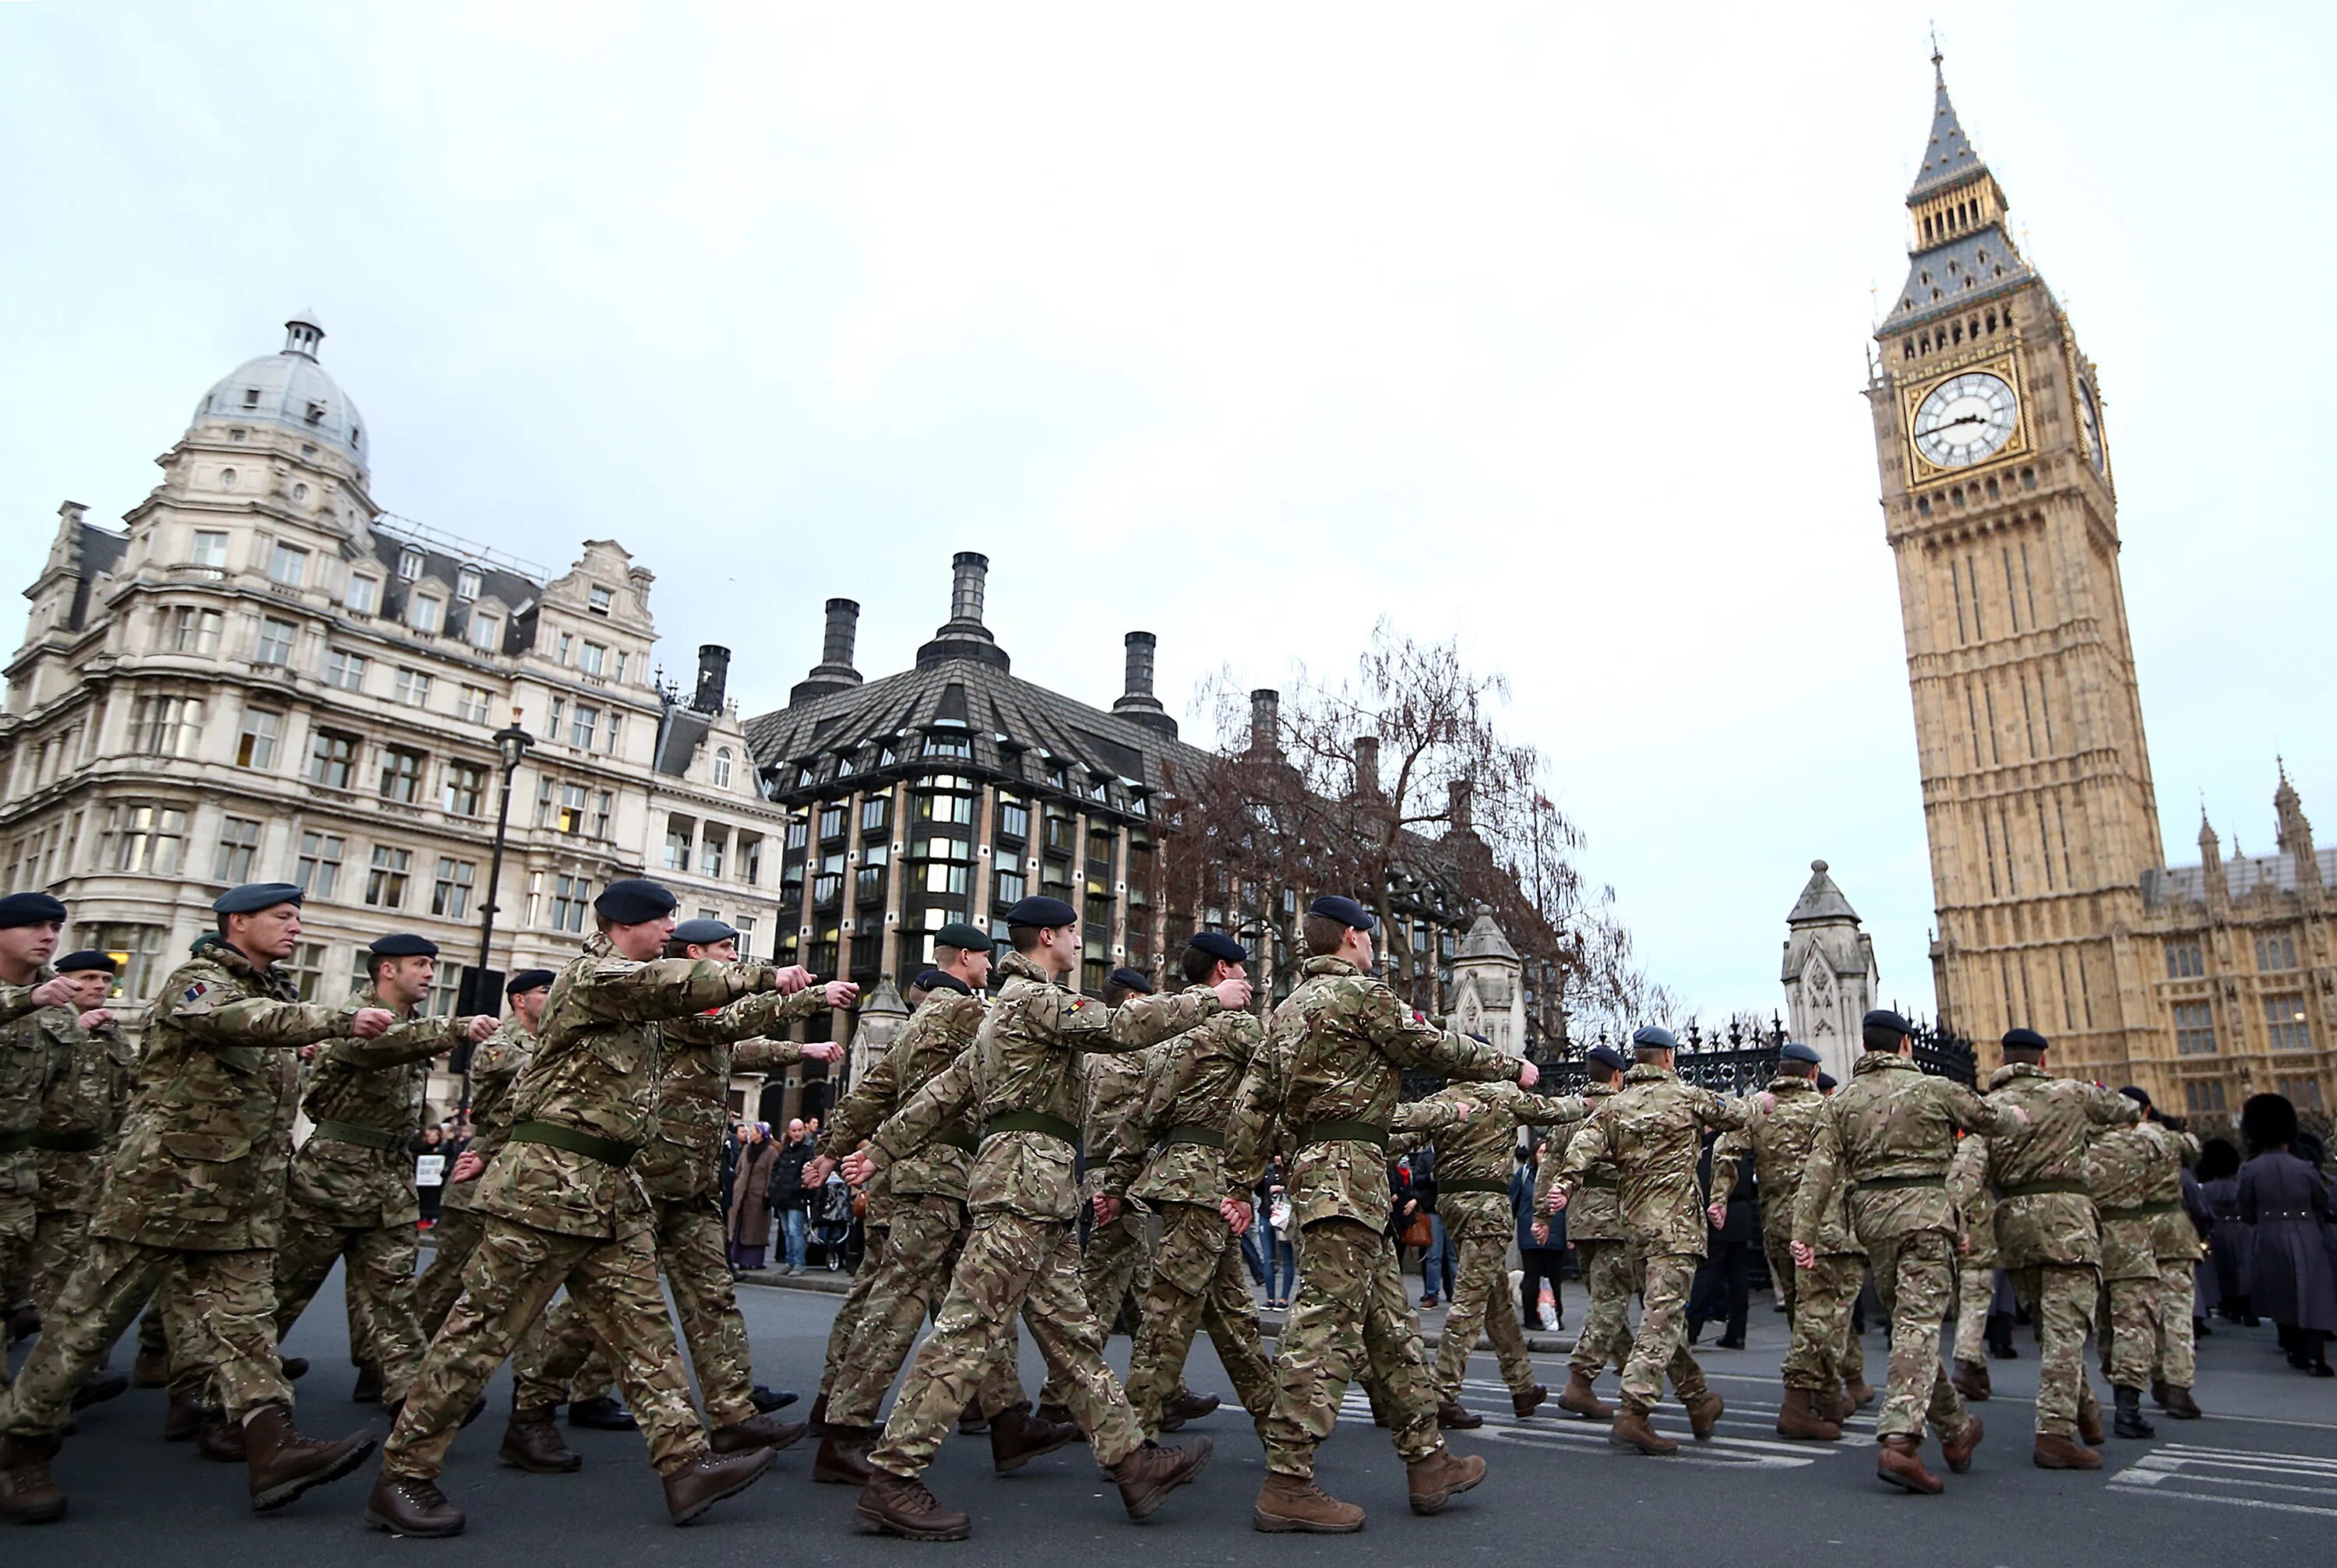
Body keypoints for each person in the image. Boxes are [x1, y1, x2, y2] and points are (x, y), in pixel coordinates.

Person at [365, 879, 801, 1536]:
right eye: (663, 924)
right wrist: (767, 976)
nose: (669, 936)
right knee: (478, 1332)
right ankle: (404, 1473)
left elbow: (710, 1024)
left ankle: (685, 1464)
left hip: (612, 1189)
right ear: (630, 924)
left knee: (645, 1333)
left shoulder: (638, 991)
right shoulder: (595, 976)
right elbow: (678, 988)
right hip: (548, 1183)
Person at [840, 896, 1239, 1539]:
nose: (1082, 940)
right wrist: (1208, 1002)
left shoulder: (1003, 1011)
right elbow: (1120, 1027)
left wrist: (878, 1147)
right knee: (968, 1330)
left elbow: (947, 1090)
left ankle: (1132, 1461)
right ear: (1048, 936)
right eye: (1075, 931)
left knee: (1075, 1335)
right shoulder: (1034, 1000)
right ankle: (892, 1477)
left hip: (1039, 1187)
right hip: (1024, 1184)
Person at [1, 884, 395, 1526]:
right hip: (162, 1191)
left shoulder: (277, 990)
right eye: (283, 917)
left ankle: (272, 1447)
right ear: (238, 922)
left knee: (248, 1327)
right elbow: (232, 1020)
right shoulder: (198, 978)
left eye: (298, 917)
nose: (296, 927)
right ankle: (20, 1448)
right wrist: (336, 1019)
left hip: (237, 1197)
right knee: (84, 1326)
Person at [1221, 893, 1528, 1532]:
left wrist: (1237, 1182)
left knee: (1389, 1325)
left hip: (1318, 1174)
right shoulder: (1363, 995)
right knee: (1325, 1325)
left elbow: (1253, 1100)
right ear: (1352, 938)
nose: (1373, 945)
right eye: (1368, 934)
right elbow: (1435, 1046)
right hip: (1350, 1174)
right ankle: (1287, 1479)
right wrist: (1509, 1066)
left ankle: (1427, 1458)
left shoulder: (1285, 1011)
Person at [506, 915, 845, 1471]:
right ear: (695, 952)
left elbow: (737, 1048)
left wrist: (800, 1052)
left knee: (712, 1297)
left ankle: (733, 1416)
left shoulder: (702, 1006)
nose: (734, 954)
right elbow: (724, 1023)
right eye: (725, 947)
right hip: (649, 1177)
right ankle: (535, 1407)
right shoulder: (676, 1002)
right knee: (599, 1309)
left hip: (689, 1182)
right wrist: (804, 996)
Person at [804, 935, 1041, 1489]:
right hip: (940, 1173)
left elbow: (869, 1093)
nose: (989, 966)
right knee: (899, 1302)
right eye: (985, 958)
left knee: (975, 1301)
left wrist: (831, 1148)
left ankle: (1008, 1419)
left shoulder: (916, 1022)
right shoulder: (965, 1010)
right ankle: (845, 1430)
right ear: (966, 959)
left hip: (925, 1176)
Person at [1792, 1010, 2021, 1493]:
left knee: (1910, 1328)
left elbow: (1819, 1172)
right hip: (1925, 1218)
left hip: (1872, 1224)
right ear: (1906, 1045)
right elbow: (1992, 1120)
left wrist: (1804, 1232)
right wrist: (2017, 1112)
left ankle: (1957, 1429)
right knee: (1918, 1327)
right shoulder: (1933, 1089)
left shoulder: (1842, 1101)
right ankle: (1901, 1442)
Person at [270, 934, 494, 1422]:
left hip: (389, 1177)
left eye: (433, 965)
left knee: (392, 1292)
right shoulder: (358, 1016)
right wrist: (456, 1028)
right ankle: (222, 1388)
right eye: (419, 964)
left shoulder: (414, 1026)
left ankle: (409, 1395)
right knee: (286, 1289)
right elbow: (376, 1048)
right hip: (331, 1174)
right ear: (387, 970)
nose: (430, 974)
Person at [1095, 932, 1280, 1443]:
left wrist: (1115, 1183)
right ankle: (1134, 1438)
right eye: (1243, 970)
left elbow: (1137, 1120)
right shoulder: (1237, 1027)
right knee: (1168, 1314)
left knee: (1234, 1315)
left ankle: (1280, 1428)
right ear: (1223, 970)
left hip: (1178, 1180)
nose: (1248, 980)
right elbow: (1273, 1092)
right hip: (1212, 1180)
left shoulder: (1166, 1039)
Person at [1548, 1025, 1750, 1457]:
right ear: (1670, 1058)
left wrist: (1565, 1185)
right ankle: (1634, 1411)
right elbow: (1740, 1117)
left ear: (1636, 1060)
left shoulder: (1613, 1107)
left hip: (1634, 1231)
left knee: (1665, 1314)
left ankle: (1699, 1400)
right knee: (1663, 1316)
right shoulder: (1689, 1098)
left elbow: (1582, 1146)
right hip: (1676, 1230)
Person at [1981, 1025, 2139, 1470]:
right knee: (2067, 1333)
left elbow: (1970, 1168)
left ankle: (2086, 1413)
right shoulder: (2072, 1094)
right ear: (2043, 1060)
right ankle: (2054, 1433)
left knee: (2051, 1330)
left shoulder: (1990, 1105)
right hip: (2065, 1220)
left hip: (2013, 1223)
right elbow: (2127, 1109)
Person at [1401, 1073, 1585, 1427]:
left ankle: (1523, 1387)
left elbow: (1407, 1135)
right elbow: (1549, 1110)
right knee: (1469, 1304)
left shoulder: (1444, 1097)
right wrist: (1587, 1104)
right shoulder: (1501, 1095)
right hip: (1487, 1207)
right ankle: (1443, 1392)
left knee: (1496, 1299)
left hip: (1452, 1206)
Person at [1711, 1040, 1862, 1440]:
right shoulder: (1827, 1109)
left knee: (1803, 1312)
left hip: (1777, 1226)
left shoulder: (1762, 1111)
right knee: (1820, 1315)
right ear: (1813, 1073)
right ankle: (1797, 1405)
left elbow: (1725, 1151)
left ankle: (1828, 1396)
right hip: (1823, 1228)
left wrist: (1718, 1198)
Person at [20, 950, 136, 1399]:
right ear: (63, 981)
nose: (99, 987)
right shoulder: (36, 1021)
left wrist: (116, 1153)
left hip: (85, 1170)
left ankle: (67, 1379)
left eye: (106, 979)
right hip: (31, 1162)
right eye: (88, 978)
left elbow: (123, 1098)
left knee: (71, 1276)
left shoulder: (112, 1033)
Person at [415, 970, 552, 1338]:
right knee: (449, 1274)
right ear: (519, 1000)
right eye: (545, 991)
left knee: (528, 1276)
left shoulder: (550, 1042)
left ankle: (533, 1383)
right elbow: (540, 1072)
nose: (554, 997)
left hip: (529, 1167)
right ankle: (398, 1358)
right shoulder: (501, 1042)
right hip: (484, 1167)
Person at [1534, 1043, 1632, 1419]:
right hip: (1615, 1218)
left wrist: (1542, 1215)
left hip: (1579, 1218)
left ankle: (1629, 1371)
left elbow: (1549, 1165)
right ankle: (1582, 1379)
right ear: (1618, 1075)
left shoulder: (1571, 1113)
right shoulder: (1622, 1109)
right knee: (1612, 1299)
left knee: (1607, 1297)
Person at [2237, 1094, 2337, 1376]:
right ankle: (2317, 1358)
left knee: (2283, 1292)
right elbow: (2321, 1201)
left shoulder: (2250, 1169)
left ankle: (2294, 1350)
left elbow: (2245, 1205)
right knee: (2314, 1293)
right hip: (2306, 1229)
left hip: (2268, 1230)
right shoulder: (2304, 1167)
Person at [1687, 1131, 1756, 1350]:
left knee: (1706, 1274)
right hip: (1742, 1214)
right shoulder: (1740, 1147)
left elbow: (1706, 1184)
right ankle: (1737, 1333)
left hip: (1720, 1215)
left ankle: (1691, 1329)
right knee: (1738, 1278)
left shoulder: (1713, 1149)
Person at [2198, 1137, 2253, 1324]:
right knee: (2244, 1267)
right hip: (2242, 1227)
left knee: (2222, 1268)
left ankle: (2229, 1305)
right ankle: (2246, 1305)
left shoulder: (2206, 1189)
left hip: (2219, 1229)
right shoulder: (2239, 1185)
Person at [1513, 1143, 1564, 1333]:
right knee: (1531, 1278)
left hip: (1556, 1232)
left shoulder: (1561, 1176)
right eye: (1541, 1152)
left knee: (1555, 1278)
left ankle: (1554, 1314)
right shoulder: (1525, 1175)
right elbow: (1514, 1201)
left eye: (1547, 1152)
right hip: (1530, 1234)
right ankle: (1531, 1317)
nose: (1544, 1156)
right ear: (1535, 1155)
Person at [727, 1122, 779, 1270]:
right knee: (738, 1227)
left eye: (754, 1131)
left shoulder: (771, 1152)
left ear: (762, 1134)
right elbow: (739, 1168)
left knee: (754, 1230)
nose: (751, 1134)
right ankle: (737, 1259)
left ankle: (753, 1261)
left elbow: (771, 1174)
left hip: (757, 1196)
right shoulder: (746, 1149)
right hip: (740, 1194)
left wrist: (767, 1194)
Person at [770, 1120, 816, 1274]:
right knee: (786, 1232)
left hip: (796, 1197)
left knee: (795, 1230)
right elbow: (776, 1170)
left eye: (800, 1130)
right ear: (789, 1132)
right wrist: (774, 1188)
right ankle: (790, 1261)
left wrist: (797, 1188)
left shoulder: (808, 1150)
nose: (797, 1133)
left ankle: (798, 1263)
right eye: (794, 1131)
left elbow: (808, 1173)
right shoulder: (785, 1150)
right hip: (782, 1196)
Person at [413, 1127, 449, 1227]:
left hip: (436, 1181)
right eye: (430, 1136)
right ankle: (423, 1217)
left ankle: (432, 1218)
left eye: (435, 1136)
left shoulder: (443, 1148)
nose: (432, 1138)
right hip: (423, 1180)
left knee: (433, 1198)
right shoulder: (421, 1148)